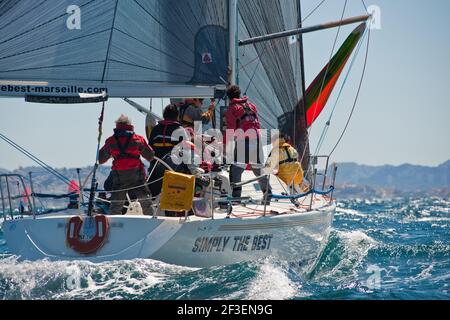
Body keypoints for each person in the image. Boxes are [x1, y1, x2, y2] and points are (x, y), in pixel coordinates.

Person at [99, 115, 154, 215]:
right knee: (146, 203)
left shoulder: (110, 141)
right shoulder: (138, 139)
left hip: (119, 179)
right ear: (130, 126)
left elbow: (101, 159)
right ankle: (151, 221)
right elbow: (150, 155)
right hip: (137, 177)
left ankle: (114, 225)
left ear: (117, 126)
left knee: (116, 206)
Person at [225, 85, 271, 202]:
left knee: (236, 170)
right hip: (256, 139)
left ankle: (236, 199)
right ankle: (268, 195)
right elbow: (257, 124)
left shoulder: (232, 108)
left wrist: (225, 146)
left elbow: (230, 129)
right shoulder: (251, 106)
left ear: (229, 98)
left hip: (243, 140)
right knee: (258, 169)